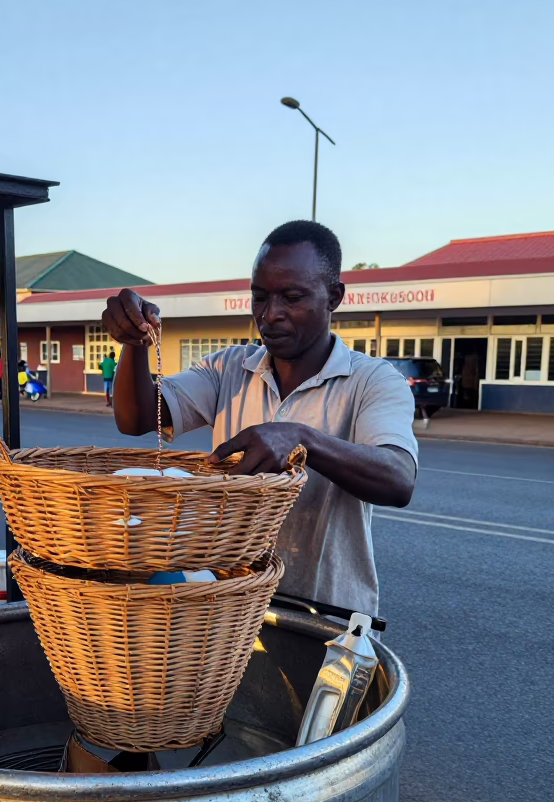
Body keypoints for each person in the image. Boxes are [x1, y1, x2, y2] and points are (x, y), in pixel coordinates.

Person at [103, 220, 417, 618]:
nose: (271, 314)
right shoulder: (228, 368)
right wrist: (134, 343)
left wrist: (302, 439)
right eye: (260, 297)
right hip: (230, 613)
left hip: (325, 617)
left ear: (334, 297)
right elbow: (137, 418)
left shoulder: (372, 380)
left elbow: (398, 478)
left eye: (292, 297)